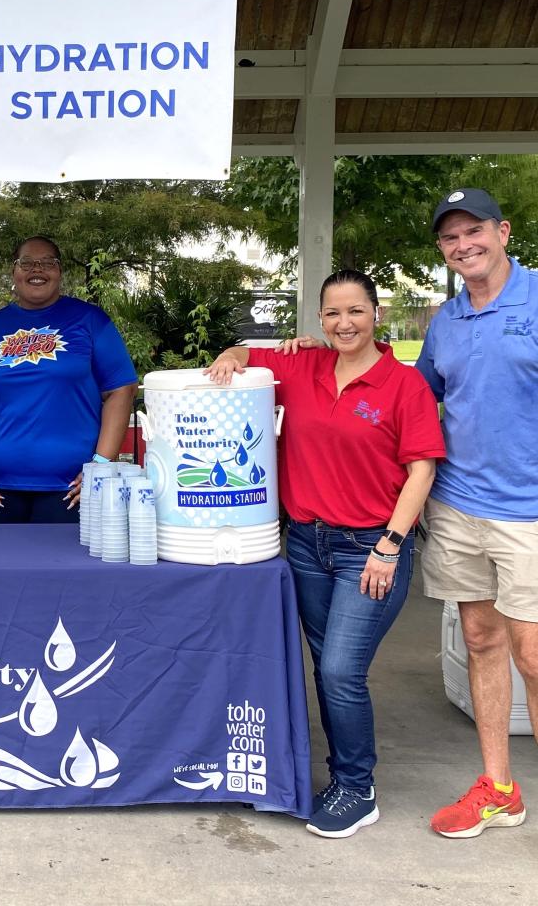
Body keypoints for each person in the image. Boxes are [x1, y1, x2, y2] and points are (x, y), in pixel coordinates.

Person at [207, 269, 445, 838]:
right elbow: (245, 354)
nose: (345, 323)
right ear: (319, 319)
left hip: (370, 547)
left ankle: (357, 787)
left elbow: (422, 471)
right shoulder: (303, 366)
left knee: (340, 669)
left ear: (376, 314)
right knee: (326, 666)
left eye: (356, 311)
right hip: (306, 545)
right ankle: (341, 776)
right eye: (333, 313)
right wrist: (230, 358)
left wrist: (390, 546)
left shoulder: (403, 384)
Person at [416, 188, 538, 838]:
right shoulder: (447, 319)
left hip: (529, 512)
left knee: (534, 656)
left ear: (503, 231)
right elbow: (416, 397)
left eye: (474, 231)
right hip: (459, 505)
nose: (464, 245)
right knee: (482, 641)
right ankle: (500, 789)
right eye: (450, 237)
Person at [0, 236, 137, 523]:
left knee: (63, 555)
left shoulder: (90, 320)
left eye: (48, 262)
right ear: (14, 272)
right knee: (6, 555)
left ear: (60, 271)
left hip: (71, 488)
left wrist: (101, 465)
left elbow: (121, 389)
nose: (37, 269)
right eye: (26, 263)